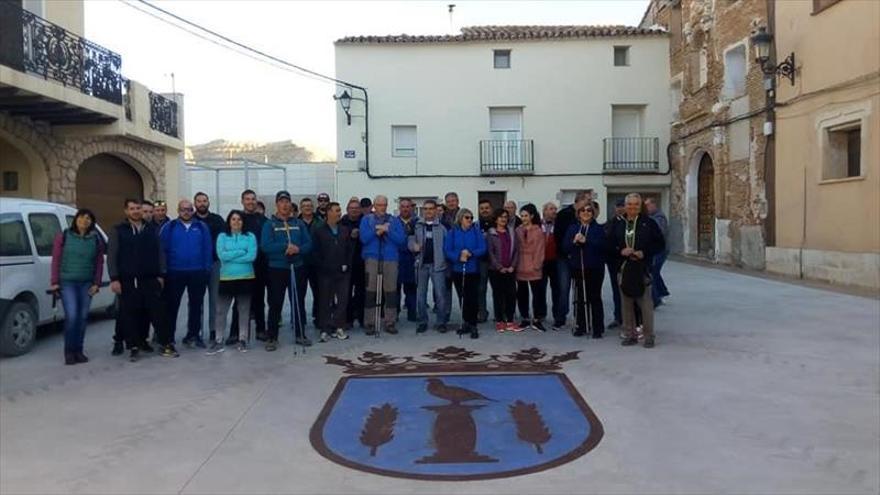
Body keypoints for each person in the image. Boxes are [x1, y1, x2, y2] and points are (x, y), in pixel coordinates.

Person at [108, 198, 176, 362]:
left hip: (150, 279)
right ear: (126, 211)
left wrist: (161, 274)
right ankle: (133, 346)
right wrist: (114, 278)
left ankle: (166, 343)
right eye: (132, 208)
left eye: (138, 208)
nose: (136, 211)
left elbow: (160, 252)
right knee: (130, 314)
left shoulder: (151, 229)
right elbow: (112, 255)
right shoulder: (119, 230)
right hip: (128, 280)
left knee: (156, 313)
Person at [49, 208, 105, 365]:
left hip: (86, 283)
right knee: (72, 316)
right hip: (68, 283)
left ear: (91, 222)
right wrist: (54, 282)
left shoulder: (95, 240)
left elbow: (99, 263)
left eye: (88, 218)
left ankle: (78, 351)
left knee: (82, 318)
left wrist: (97, 283)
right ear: (75, 219)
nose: (84, 221)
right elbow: (56, 259)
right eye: (81, 217)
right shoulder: (64, 236)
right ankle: (69, 351)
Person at [610, 193, 665, 348]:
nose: (632, 207)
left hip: (642, 268)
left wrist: (644, 252)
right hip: (624, 268)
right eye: (629, 204)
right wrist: (620, 251)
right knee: (626, 303)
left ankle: (648, 336)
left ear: (640, 206)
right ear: (625, 206)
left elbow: (660, 244)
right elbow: (609, 244)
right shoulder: (618, 224)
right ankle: (629, 334)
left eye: (635, 204)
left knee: (645, 304)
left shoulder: (649, 223)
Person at [261, 190, 313, 351]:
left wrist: (297, 249)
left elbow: (308, 244)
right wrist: (285, 247)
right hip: (277, 268)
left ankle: (300, 333)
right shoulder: (269, 224)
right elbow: (266, 246)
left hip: (296, 267)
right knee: (275, 302)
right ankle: (272, 337)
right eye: (282, 202)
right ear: (277, 204)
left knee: (298, 301)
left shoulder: (299, 224)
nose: (285, 205)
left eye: (287, 202)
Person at [161, 199, 214, 349]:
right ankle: (169, 337)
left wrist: (207, 268)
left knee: (196, 305)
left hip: (197, 272)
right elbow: (162, 250)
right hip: (175, 272)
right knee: (172, 306)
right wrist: (164, 271)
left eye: (189, 209)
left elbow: (207, 248)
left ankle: (193, 335)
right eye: (183, 209)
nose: (186, 212)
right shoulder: (169, 227)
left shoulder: (202, 227)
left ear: (193, 211)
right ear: (178, 210)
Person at [210, 210, 257, 354]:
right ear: (229, 221)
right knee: (220, 311)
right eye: (233, 219)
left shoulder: (250, 237)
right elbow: (222, 256)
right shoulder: (222, 237)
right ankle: (219, 340)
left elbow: (251, 256)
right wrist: (240, 252)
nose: (236, 222)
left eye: (239, 219)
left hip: (245, 277)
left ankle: (243, 339)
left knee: (243, 310)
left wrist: (233, 255)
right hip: (227, 278)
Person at [359, 195, 406, 335]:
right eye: (379, 205)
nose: (382, 207)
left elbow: (401, 240)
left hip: (390, 258)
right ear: (374, 205)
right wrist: (376, 231)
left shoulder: (394, 220)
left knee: (391, 291)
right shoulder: (367, 219)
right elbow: (364, 238)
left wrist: (387, 230)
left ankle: (390, 321)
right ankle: (369, 322)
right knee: (370, 291)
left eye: (384, 205)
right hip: (372, 258)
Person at [230, 189, 268, 343]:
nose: (250, 202)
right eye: (247, 199)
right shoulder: (237, 219)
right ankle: (234, 332)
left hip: (259, 265)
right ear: (242, 201)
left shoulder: (262, 220)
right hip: (241, 266)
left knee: (259, 299)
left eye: (253, 199)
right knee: (239, 301)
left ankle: (260, 329)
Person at [311, 202, 353, 342]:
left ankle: (339, 326)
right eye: (336, 210)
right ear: (328, 212)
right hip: (325, 272)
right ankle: (325, 328)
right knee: (325, 301)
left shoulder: (344, 230)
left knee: (342, 300)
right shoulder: (319, 230)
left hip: (342, 271)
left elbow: (349, 250)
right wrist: (322, 266)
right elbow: (315, 252)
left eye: (340, 210)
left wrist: (347, 264)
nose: (339, 213)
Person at [564, 203, 606, 338]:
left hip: (594, 268)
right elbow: (565, 247)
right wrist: (574, 241)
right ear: (578, 213)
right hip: (577, 267)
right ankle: (581, 325)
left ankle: (597, 328)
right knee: (580, 298)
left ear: (593, 213)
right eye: (583, 210)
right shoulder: (573, 228)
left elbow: (602, 246)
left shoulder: (598, 228)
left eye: (589, 210)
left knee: (594, 297)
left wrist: (586, 241)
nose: (586, 212)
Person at [444, 208, 487, 339]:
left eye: (471, 217)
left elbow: (483, 248)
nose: (470, 220)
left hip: (473, 269)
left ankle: (473, 323)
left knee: (472, 297)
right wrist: (458, 256)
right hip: (458, 269)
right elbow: (447, 249)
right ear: (460, 218)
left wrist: (471, 253)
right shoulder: (452, 232)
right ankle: (466, 322)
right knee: (462, 297)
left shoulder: (476, 231)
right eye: (467, 217)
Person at [553, 190, 592, 330]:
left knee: (581, 289)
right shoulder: (563, 214)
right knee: (563, 288)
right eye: (587, 200)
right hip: (564, 257)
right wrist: (567, 251)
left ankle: (580, 318)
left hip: (581, 257)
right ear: (579, 200)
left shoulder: (587, 215)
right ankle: (560, 317)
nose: (589, 204)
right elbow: (557, 236)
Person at [410, 199, 449, 333]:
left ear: (435, 210)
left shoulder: (442, 227)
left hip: (438, 266)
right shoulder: (417, 226)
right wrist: (413, 246)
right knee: (420, 295)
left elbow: (447, 246)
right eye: (425, 209)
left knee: (440, 295)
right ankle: (422, 321)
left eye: (431, 208)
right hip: (421, 265)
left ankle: (441, 322)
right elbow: (410, 240)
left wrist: (445, 261)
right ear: (423, 211)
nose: (428, 211)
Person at [193, 192, 226, 343]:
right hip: (196, 266)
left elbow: (224, 240)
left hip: (215, 264)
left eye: (204, 201)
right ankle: (196, 331)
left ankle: (214, 331)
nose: (202, 203)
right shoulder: (190, 220)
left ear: (208, 202)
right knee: (196, 301)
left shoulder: (217, 220)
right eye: (199, 201)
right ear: (195, 203)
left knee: (216, 299)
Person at [486, 208, 518, 332]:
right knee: (498, 295)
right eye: (500, 217)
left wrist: (512, 266)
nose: (503, 219)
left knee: (511, 294)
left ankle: (510, 320)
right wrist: (499, 267)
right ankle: (499, 320)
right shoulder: (491, 232)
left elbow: (516, 251)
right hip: (496, 270)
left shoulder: (511, 232)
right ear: (496, 219)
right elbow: (490, 252)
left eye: (505, 217)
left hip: (510, 269)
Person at [515, 204, 546, 331]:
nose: (523, 218)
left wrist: (537, 264)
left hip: (534, 266)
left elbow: (540, 249)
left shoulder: (538, 231)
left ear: (532, 216)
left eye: (526, 216)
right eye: (522, 216)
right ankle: (525, 317)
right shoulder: (517, 230)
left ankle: (537, 319)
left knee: (537, 293)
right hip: (520, 264)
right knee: (522, 293)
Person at [299, 197, 325, 327]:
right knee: (300, 294)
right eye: (304, 206)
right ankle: (300, 320)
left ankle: (318, 318)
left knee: (319, 293)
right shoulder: (295, 223)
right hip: (301, 263)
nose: (307, 208)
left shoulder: (320, 222)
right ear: (300, 208)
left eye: (309, 205)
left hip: (316, 263)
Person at [340, 198, 366, 329]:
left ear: (360, 209)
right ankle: (348, 319)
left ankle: (362, 318)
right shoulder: (342, 222)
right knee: (346, 293)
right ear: (347, 210)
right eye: (352, 208)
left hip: (362, 262)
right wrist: (350, 235)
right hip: (347, 263)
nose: (354, 210)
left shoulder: (366, 221)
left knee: (362, 292)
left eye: (357, 208)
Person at [541, 201, 563, 330]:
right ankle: (541, 314)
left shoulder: (559, 225)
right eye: (551, 209)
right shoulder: (538, 225)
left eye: (555, 209)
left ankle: (557, 316)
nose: (554, 211)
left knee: (557, 290)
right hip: (542, 261)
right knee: (540, 289)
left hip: (556, 261)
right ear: (544, 211)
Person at [396, 198, 419, 322]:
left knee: (412, 288)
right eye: (403, 206)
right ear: (399, 208)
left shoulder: (418, 222)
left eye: (408, 206)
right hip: (397, 258)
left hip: (412, 259)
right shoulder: (394, 222)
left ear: (412, 208)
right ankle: (395, 313)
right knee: (395, 288)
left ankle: (412, 312)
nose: (405, 209)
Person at [645, 197, 670, 308]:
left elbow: (660, 231)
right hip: (658, 249)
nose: (646, 208)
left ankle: (656, 298)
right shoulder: (652, 217)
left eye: (647, 206)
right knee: (654, 271)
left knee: (653, 271)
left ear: (654, 205)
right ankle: (662, 292)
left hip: (661, 250)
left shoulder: (659, 217)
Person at [605, 199, 626, 328]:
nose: (620, 209)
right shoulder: (610, 223)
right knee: (616, 291)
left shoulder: (631, 223)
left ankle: (633, 320)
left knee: (629, 292)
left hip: (629, 263)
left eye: (622, 206)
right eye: (618, 206)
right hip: (614, 263)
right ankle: (618, 317)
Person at [476, 199, 494, 323]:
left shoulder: (498, 223)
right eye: (482, 208)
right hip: (481, 261)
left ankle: (501, 314)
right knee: (481, 289)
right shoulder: (475, 225)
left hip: (496, 261)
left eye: (487, 208)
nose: (484, 210)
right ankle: (482, 313)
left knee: (498, 289)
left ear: (491, 209)